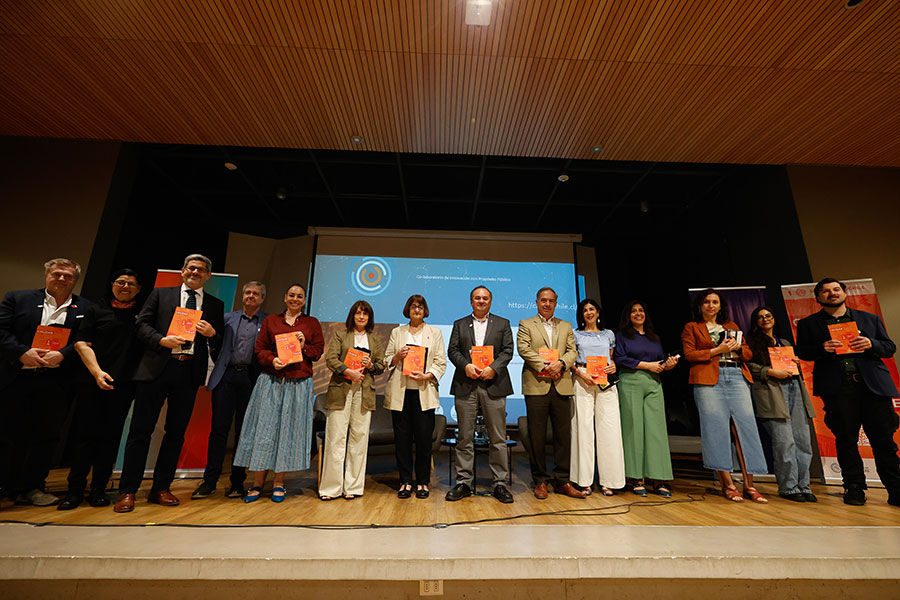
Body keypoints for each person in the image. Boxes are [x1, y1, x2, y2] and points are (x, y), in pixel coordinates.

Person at [113, 254, 224, 513]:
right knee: (140, 431)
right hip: (156, 369)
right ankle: (128, 490)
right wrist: (161, 340)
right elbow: (141, 325)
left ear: (208, 276)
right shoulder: (161, 294)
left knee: (175, 433)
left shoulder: (215, 305)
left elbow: (218, 340)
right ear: (183, 271)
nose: (195, 272)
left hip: (188, 372)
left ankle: (161, 487)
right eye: (191, 268)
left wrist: (212, 333)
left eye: (201, 270)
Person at [796, 278, 900, 507]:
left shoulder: (869, 319)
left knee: (884, 440)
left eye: (836, 289)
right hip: (838, 389)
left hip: (873, 388)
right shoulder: (808, 324)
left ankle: (896, 488)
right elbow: (802, 351)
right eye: (825, 291)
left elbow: (889, 347)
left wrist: (871, 344)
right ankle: (854, 487)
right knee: (846, 441)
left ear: (844, 293)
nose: (832, 293)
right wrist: (821, 348)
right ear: (818, 297)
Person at [0, 258, 92, 506]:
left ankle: (33, 487)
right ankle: (4, 485)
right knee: (7, 432)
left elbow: (86, 340)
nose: (62, 279)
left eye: (68, 276)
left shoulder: (86, 307)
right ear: (47, 275)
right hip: (17, 377)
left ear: (75, 280)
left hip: (57, 382)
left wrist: (63, 354)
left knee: (47, 436)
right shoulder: (18, 298)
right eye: (57, 274)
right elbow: (1, 331)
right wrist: (21, 352)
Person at [59, 269, 144, 510]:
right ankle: (74, 491)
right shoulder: (96, 310)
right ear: (112, 284)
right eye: (120, 282)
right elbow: (81, 344)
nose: (125, 287)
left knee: (110, 438)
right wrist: (97, 373)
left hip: (123, 385)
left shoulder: (142, 315)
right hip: (92, 381)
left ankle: (99, 490)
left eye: (131, 283)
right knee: (84, 437)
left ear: (138, 289)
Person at [234, 283, 324, 503]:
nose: (295, 299)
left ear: (304, 300)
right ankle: (257, 483)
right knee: (263, 431)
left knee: (287, 433)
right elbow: (260, 349)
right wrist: (272, 360)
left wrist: (303, 346)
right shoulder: (272, 321)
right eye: (291, 295)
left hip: (298, 383)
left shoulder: (311, 323)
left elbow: (317, 352)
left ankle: (278, 483)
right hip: (271, 381)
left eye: (299, 296)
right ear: (285, 297)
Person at [681, 289, 769, 504]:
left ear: (720, 306)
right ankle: (728, 485)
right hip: (708, 379)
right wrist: (717, 350)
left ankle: (750, 485)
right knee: (716, 431)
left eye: (715, 302)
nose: (711, 305)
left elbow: (748, 354)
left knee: (746, 430)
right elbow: (689, 354)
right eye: (706, 302)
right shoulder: (692, 327)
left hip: (736, 375)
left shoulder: (731, 326)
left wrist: (738, 348)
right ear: (700, 306)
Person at [192, 281, 268, 501]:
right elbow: (215, 345)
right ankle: (209, 481)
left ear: (262, 298)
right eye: (247, 292)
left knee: (244, 433)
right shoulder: (227, 318)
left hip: (251, 380)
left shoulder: (268, 322)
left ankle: (237, 482)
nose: (251, 296)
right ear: (242, 295)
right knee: (218, 430)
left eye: (255, 293)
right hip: (226, 377)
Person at [445, 286, 515, 504]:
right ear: (471, 301)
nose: (481, 301)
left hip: (494, 384)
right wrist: (465, 366)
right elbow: (453, 350)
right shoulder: (459, 324)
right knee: (464, 437)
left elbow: (508, 350)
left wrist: (493, 368)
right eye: (477, 298)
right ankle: (463, 482)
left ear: (490, 301)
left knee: (498, 438)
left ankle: (500, 483)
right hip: (466, 384)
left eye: (485, 298)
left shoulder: (502, 323)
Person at [517, 287, 586, 499]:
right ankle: (540, 480)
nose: (547, 304)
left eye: (551, 301)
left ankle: (562, 480)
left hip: (562, 384)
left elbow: (573, 351)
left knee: (563, 436)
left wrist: (561, 364)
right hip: (537, 384)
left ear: (556, 303)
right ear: (537, 302)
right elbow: (524, 349)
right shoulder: (526, 324)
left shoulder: (566, 326)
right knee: (536, 436)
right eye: (543, 300)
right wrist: (547, 366)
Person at [746, 305, 816, 503]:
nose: (765, 319)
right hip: (771, 391)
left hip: (795, 388)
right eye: (760, 317)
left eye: (768, 315)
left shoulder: (783, 342)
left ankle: (804, 485)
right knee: (784, 443)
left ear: (774, 319)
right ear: (755, 322)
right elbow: (747, 366)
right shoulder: (751, 343)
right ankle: (788, 487)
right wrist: (769, 371)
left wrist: (796, 364)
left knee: (803, 441)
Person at [319, 300, 385, 500]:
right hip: (341, 389)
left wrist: (371, 365)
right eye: (358, 313)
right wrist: (349, 372)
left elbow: (381, 366)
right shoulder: (341, 335)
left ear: (369, 317)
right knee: (335, 439)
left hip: (364, 392)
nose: (361, 317)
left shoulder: (375, 339)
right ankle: (331, 488)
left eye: (365, 314)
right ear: (352, 316)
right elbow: (331, 359)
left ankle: (353, 487)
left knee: (359, 440)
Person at [384, 294, 446, 499]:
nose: (417, 310)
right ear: (408, 310)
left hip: (424, 391)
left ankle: (422, 482)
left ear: (425, 310)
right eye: (413, 307)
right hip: (400, 392)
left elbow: (440, 362)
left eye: (420, 307)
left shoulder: (434, 332)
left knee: (424, 440)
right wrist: (397, 356)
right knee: (402, 440)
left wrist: (428, 375)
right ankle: (405, 481)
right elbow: (386, 360)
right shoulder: (397, 332)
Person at [614, 300, 678, 497]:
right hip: (631, 382)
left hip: (654, 383)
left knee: (656, 430)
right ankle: (636, 478)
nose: (638, 313)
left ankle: (659, 478)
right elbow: (620, 358)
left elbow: (659, 361)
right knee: (633, 429)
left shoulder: (654, 337)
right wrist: (646, 365)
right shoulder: (622, 335)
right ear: (628, 316)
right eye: (634, 311)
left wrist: (668, 365)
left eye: (641, 310)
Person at [570, 299, 625, 496]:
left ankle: (610, 481)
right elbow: (570, 360)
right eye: (585, 310)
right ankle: (583, 481)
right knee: (583, 429)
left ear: (598, 312)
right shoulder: (575, 334)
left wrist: (613, 366)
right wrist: (580, 373)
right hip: (583, 379)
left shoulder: (608, 334)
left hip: (605, 382)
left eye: (592, 309)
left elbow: (611, 358)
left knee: (609, 429)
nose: (589, 313)